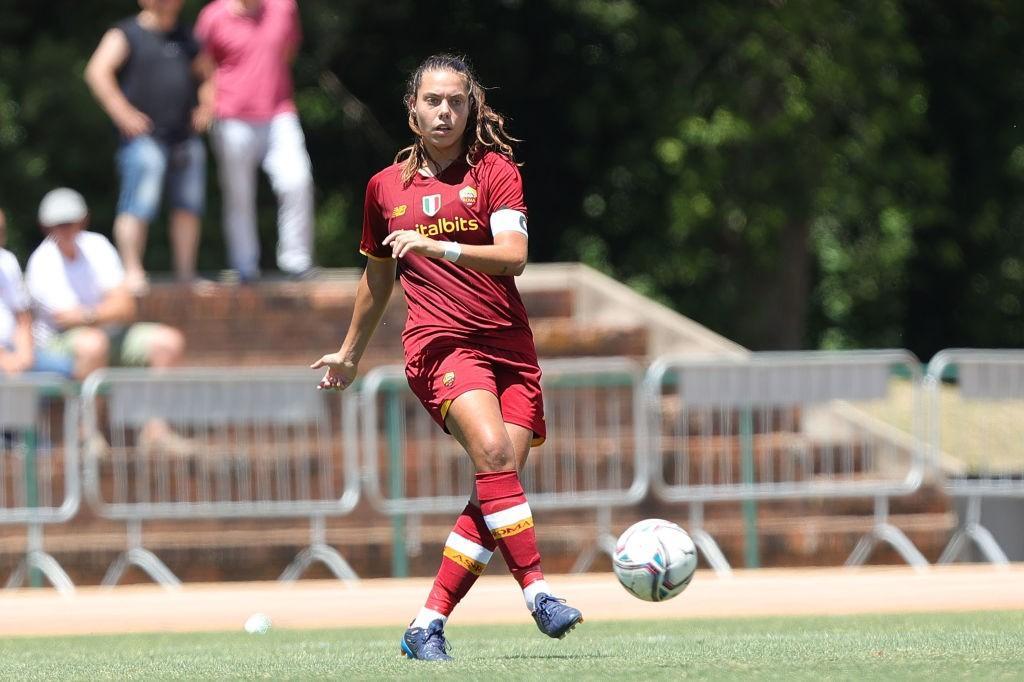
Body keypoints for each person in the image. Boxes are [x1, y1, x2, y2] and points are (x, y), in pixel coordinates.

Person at [311, 54, 582, 662]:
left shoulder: (496, 171)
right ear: (412, 111)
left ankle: (426, 623)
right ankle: (538, 593)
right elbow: (377, 278)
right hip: (441, 346)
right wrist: (350, 355)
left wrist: (438, 247)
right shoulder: (385, 188)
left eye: (455, 101)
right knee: (491, 454)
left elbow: (512, 256)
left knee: (497, 488)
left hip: (510, 346)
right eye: (432, 100)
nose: (444, 111)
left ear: (471, 107)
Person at [84, 0, 211, 296]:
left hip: (183, 136)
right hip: (144, 138)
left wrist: (207, 105)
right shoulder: (126, 32)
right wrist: (122, 112)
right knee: (137, 205)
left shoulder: (186, 36)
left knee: (188, 208)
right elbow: (97, 71)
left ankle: (186, 275)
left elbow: (207, 74)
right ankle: (132, 272)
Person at [194, 0, 315, 282]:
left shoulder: (284, 7)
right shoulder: (213, 16)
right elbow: (202, 64)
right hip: (231, 116)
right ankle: (244, 266)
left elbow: (287, 51)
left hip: (279, 112)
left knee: (297, 181)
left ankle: (296, 261)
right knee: (239, 195)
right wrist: (208, 104)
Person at [0, 209, 75, 378]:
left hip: (14, 350)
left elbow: (22, 317)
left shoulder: (6, 261)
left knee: (66, 370)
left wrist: (24, 352)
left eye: (1, 231)